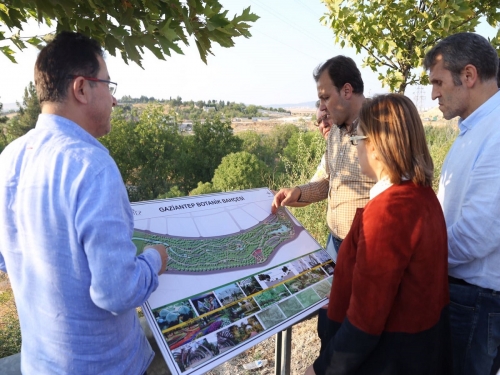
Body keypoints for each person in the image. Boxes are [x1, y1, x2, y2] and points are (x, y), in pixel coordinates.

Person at [0, 32, 168, 374]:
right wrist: (155, 259)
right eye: (108, 84)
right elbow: (117, 292)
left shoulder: (9, 157)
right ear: (81, 88)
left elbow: (6, 258)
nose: (114, 100)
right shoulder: (92, 167)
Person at [305, 94, 452, 375]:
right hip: (417, 353)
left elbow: (365, 320)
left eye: (356, 139)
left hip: (388, 360)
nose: (354, 147)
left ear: (374, 146)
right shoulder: (421, 195)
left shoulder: (390, 211)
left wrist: (323, 369)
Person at [424, 32, 500, 375]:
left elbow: (480, 230)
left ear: (468, 76)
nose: (434, 93)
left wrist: (419, 260)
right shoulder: (476, 128)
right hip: (464, 294)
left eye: (438, 82)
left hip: (477, 300)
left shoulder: (497, 132)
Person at [272, 56, 374, 261]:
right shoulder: (335, 131)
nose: (322, 107)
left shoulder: (381, 126)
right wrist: (299, 192)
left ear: (346, 90)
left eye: (325, 98)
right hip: (334, 242)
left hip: (367, 248)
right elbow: (328, 181)